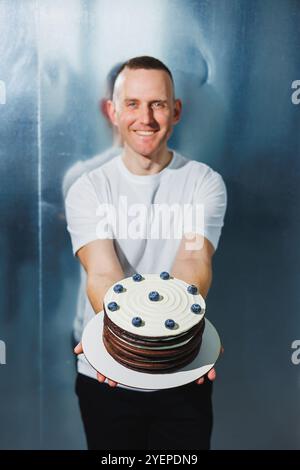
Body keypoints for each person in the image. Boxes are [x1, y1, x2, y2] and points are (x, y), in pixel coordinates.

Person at [65, 56, 227, 450]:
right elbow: (102, 272)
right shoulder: (88, 187)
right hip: (108, 371)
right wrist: (120, 348)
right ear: (113, 111)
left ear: (176, 111)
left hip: (181, 367)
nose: (146, 118)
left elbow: (192, 263)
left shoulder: (203, 182)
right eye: (133, 104)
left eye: (157, 104)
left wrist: (169, 345)